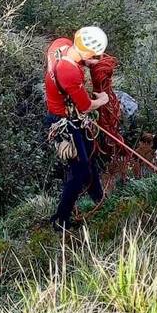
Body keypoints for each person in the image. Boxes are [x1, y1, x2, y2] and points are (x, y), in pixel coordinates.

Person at [44, 26, 110, 231]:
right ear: (89, 53)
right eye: (96, 56)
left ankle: (98, 197)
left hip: (67, 115)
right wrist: (104, 99)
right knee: (80, 170)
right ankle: (61, 220)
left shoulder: (60, 44)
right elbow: (85, 106)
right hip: (65, 122)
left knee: (89, 156)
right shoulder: (70, 71)